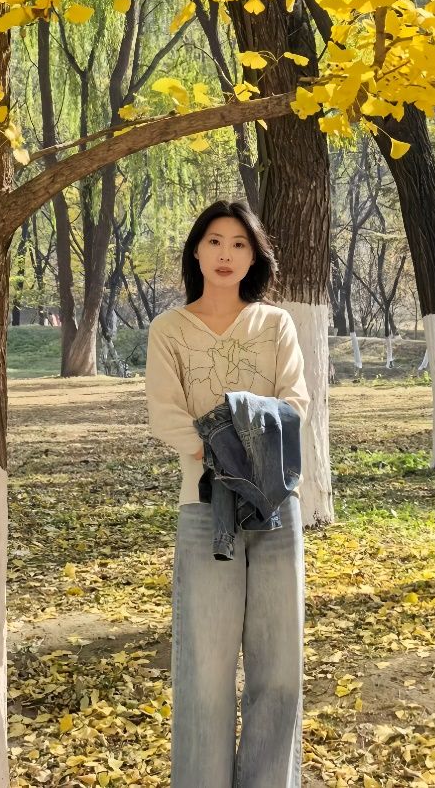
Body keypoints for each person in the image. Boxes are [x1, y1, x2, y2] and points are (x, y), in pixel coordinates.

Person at [145, 199, 310, 788]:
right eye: (215, 241)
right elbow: (166, 416)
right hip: (203, 505)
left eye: (239, 244)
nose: (225, 254)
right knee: (205, 671)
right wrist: (229, 452)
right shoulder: (169, 329)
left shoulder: (275, 325)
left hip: (274, 507)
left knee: (279, 668)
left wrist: (232, 442)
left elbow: (294, 404)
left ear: (253, 257)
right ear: (196, 250)